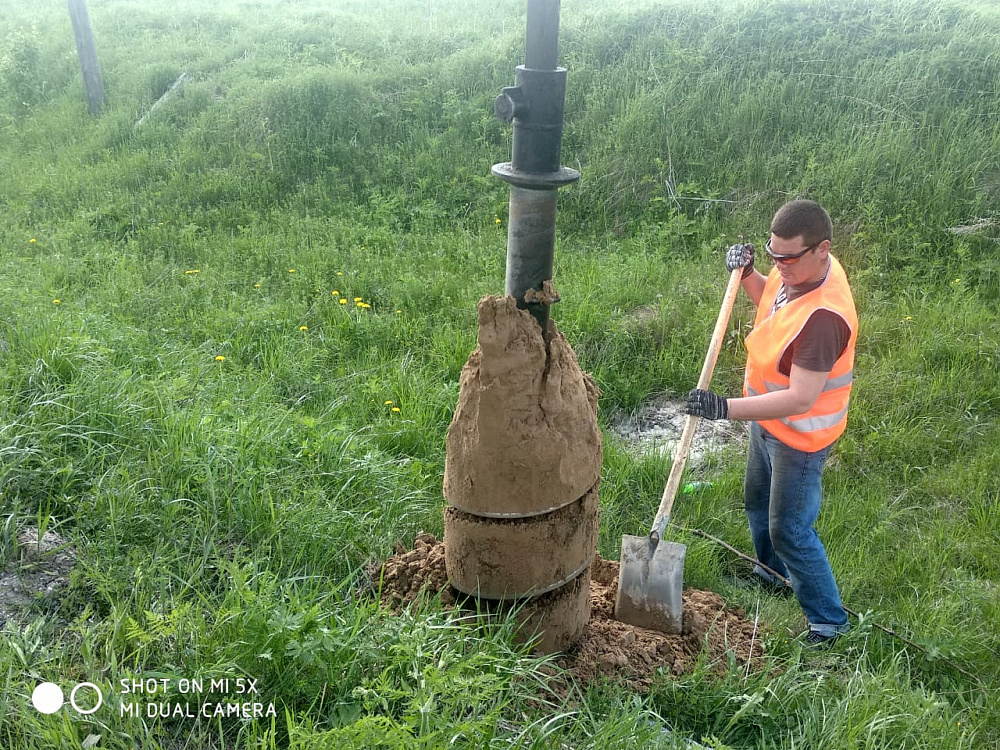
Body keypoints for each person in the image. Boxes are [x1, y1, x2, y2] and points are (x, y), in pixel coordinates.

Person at [685, 199, 857, 647]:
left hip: (800, 438)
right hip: (767, 423)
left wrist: (723, 408)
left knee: (790, 529)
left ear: (822, 249)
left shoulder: (824, 319)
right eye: (772, 254)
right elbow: (774, 305)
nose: (777, 266)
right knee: (756, 503)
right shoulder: (800, 272)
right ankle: (771, 574)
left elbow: (801, 399)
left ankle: (828, 621)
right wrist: (747, 276)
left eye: (787, 258)